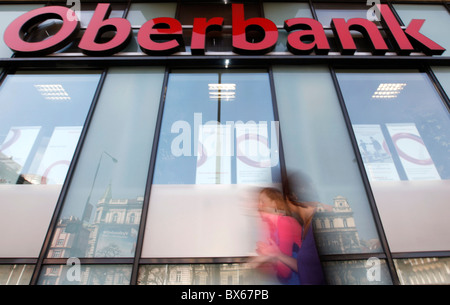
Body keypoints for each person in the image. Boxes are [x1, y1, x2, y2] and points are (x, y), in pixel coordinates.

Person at [250, 187, 303, 285]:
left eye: (263, 202)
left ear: (274, 203)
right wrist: (268, 254)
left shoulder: (284, 222)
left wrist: (269, 257)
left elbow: (285, 272)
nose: (259, 205)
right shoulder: (276, 227)